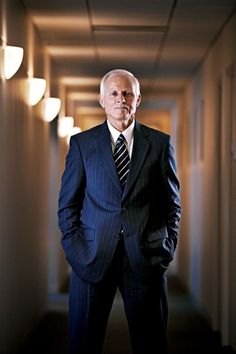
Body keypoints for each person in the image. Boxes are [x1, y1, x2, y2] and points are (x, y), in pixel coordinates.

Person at [58, 69, 181, 354]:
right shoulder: (82, 144)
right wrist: (75, 249)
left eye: (127, 93)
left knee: (152, 344)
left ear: (138, 99)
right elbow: (67, 205)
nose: (120, 99)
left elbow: (171, 204)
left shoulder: (160, 144)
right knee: (83, 345)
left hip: (145, 259)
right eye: (113, 93)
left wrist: (166, 246)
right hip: (91, 258)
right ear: (102, 100)